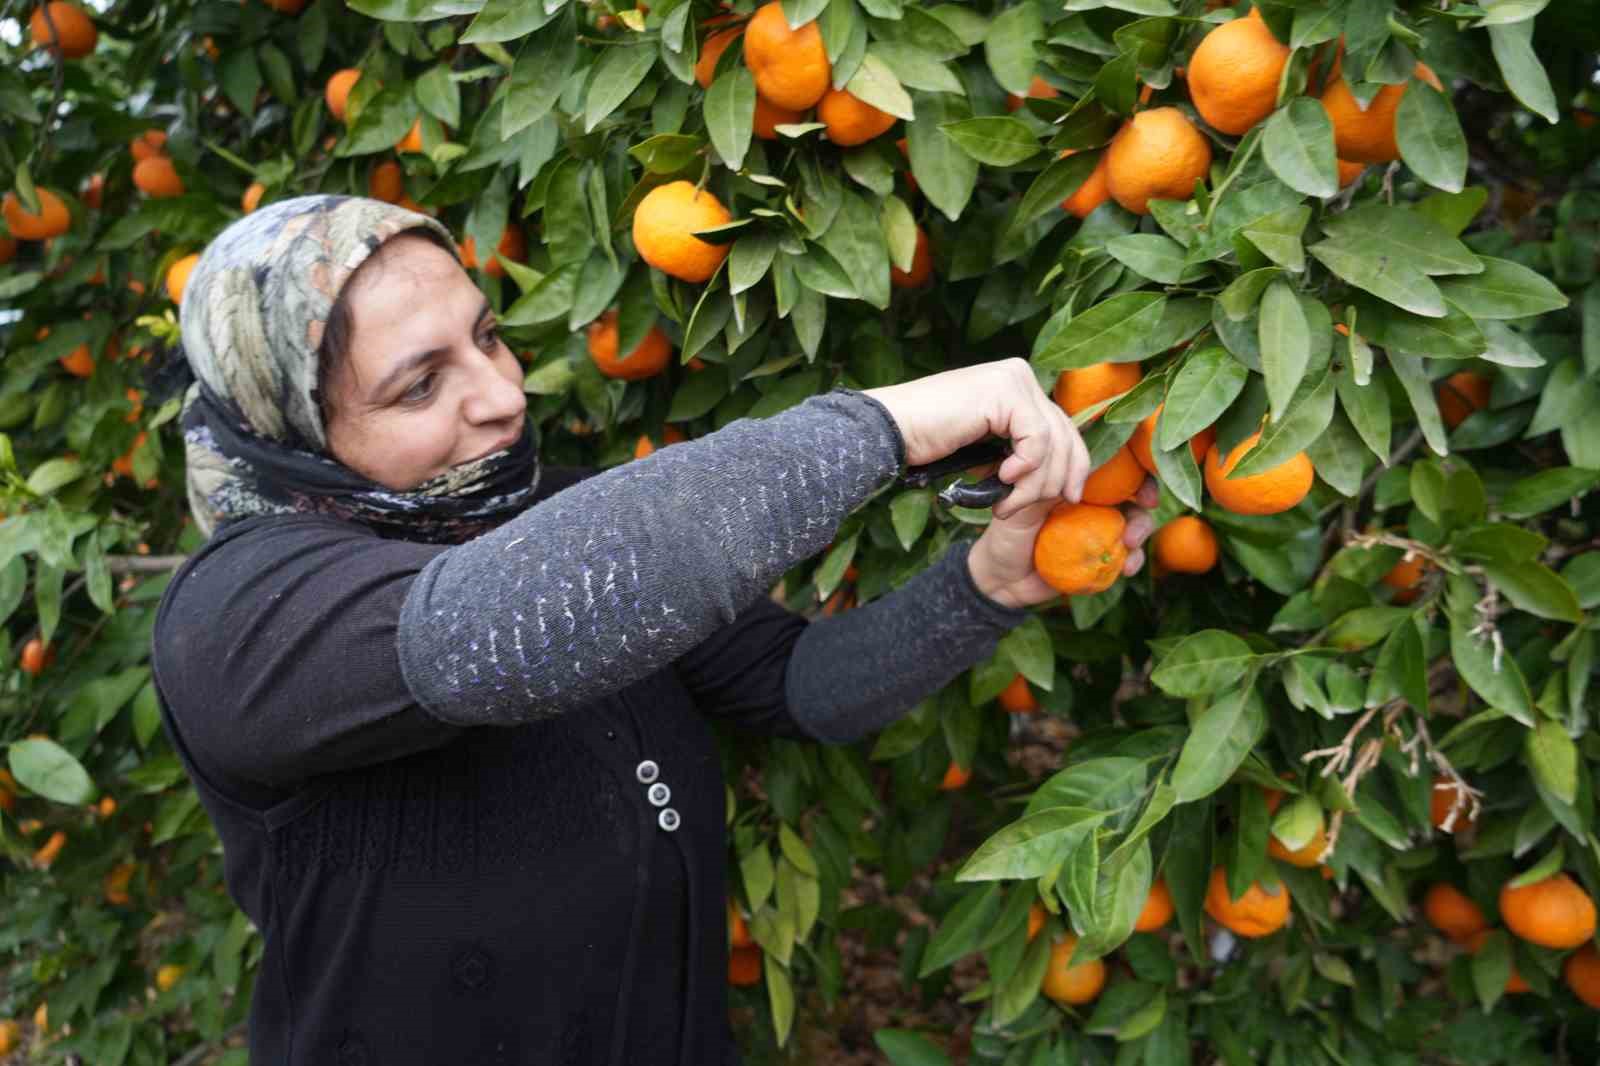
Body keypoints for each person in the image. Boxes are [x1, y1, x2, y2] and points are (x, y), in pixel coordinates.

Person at [149, 195, 1158, 1066]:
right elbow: (491, 630)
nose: (503, 396)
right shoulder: (241, 618)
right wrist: (880, 430)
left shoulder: (548, 514)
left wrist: (985, 585)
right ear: (291, 425)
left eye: (489, 336)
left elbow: (799, 684)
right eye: (418, 385)